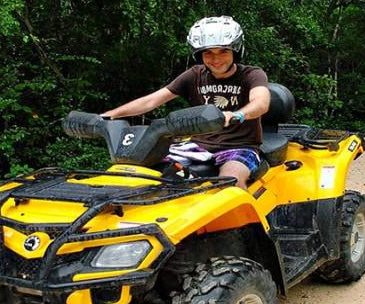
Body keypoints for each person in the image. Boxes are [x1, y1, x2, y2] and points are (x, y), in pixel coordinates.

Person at [102, 16, 270, 189]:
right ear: (199, 54)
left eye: (223, 51)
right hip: (197, 145)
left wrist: (237, 114)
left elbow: (261, 102)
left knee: (230, 183)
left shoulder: (252, 74)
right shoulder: (195, 74)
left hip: (239, 146)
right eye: (208, 53)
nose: (216, 58)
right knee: (139, 169)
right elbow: (151, 101)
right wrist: (109, 116)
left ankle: (243, 216)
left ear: (235, 50)